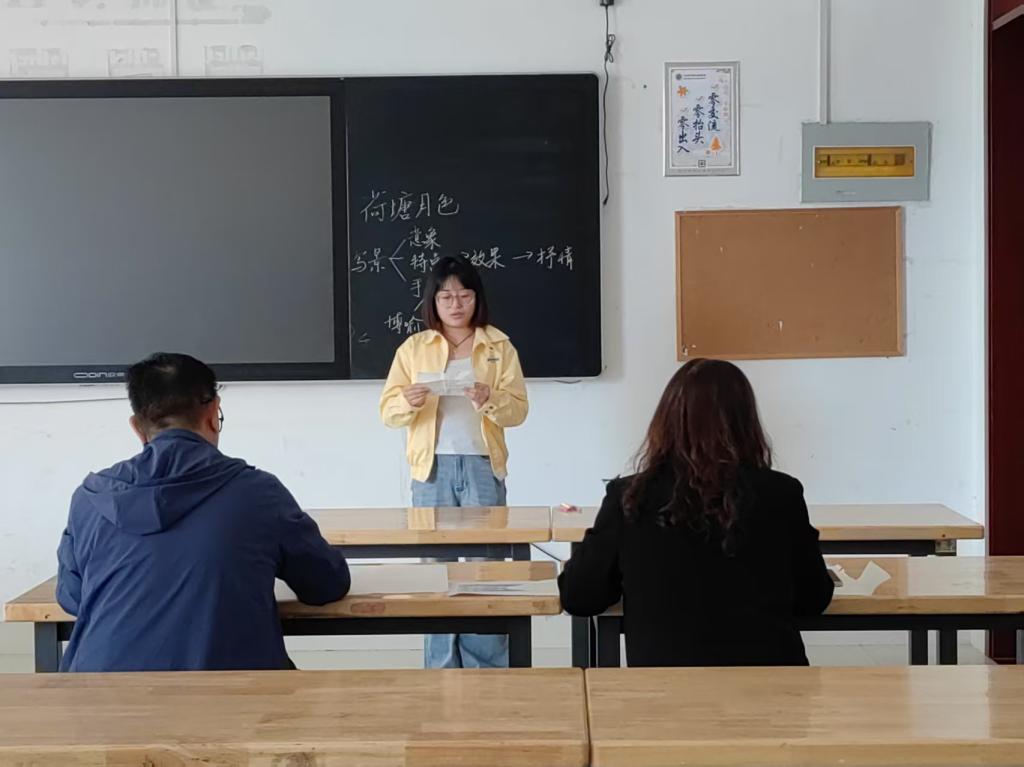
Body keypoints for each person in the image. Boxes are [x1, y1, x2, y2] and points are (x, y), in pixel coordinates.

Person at [56, 352, 350, 672]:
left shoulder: (89, 498)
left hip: (95, 693)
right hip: (230, 695)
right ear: (213, 414)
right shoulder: (257, 493)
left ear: (137, 428)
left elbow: (73, 597)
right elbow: (325, 584)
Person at [558, 358, 834, 666]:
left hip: (664, 690)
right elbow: (813, 599)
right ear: (747, 423)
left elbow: (579, 597)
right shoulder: (783, 493)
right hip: (776, 687)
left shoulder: (630, 496)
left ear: (665, 422)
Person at [380, 255, 528, 668]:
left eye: (464, 295)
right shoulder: (415, 348)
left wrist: (490, 399)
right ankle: (441, 666)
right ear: (433, 301)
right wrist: (407, 402)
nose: (456, 304)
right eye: (446, 297)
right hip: (432, 469)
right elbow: (387, 411)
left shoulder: (498, 346)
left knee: (486, 567)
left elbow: (518, 410)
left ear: (477, 298)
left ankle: (487, 666)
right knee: (434, 568)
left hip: (481, 464)